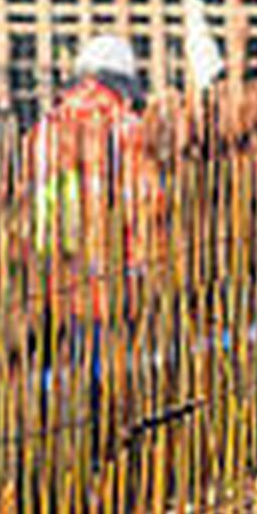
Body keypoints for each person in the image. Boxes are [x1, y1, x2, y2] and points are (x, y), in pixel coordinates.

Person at [26, 34, 162, 312]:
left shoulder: (48, 124)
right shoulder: (126, 125)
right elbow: (146, 201)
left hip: (58, 271)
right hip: (114, 273)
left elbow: (30, 191)